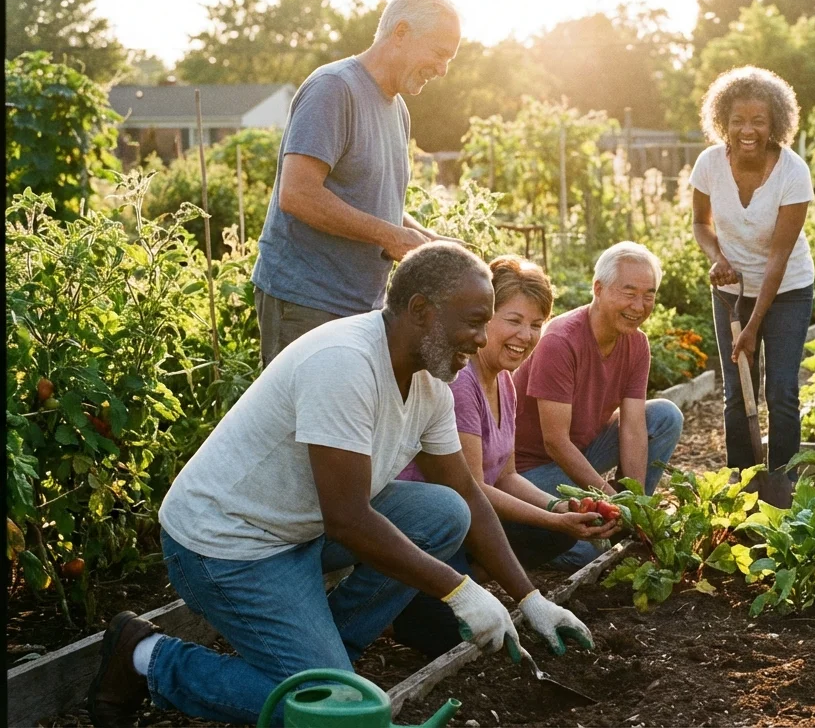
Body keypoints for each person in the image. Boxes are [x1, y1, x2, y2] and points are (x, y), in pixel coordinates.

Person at [87, 244, 592, 727]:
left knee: (444, 512)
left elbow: (465, 491)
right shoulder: (345, 363)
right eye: (474, 321)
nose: (482, 340)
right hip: (226, 545)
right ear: (421, 310)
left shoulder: (431, 379)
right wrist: (460, 591)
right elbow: (348, 518)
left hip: (294, 528)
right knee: (337, 711)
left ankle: (328, 652)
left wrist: (529, 599)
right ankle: (145, 655)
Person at [390, 255, 618, 658]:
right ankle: (418, 601)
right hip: (426, 538)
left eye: (536, 324)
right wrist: (554, 519)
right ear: (484, 319)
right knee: (450, 637)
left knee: (555, 528)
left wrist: (560, 507)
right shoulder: (461, 384)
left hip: (465, 528)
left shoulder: (505, 383)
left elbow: (507, 475)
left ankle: (474, 583)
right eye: (513, 320)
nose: (526, 335)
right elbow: (472, 486)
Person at [252, 0, 464, 366]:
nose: (444, 70)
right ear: (400, 32)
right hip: (308, 302)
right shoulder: (334, 88)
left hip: (363, 307)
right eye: (439, 53)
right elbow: (298, 194)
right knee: (307, 422)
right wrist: (390, 237)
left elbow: (377, 203)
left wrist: (429, 242)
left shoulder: (397, 109)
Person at [513, 242, 684, 569]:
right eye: (629, 292)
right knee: (588, 552)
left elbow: (633, 427)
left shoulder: (637, 342)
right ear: (598, 289)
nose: (639, 305)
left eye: (649, 294)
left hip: (583, 449)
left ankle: (624, 523)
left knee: (663, 416)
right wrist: (608, 497)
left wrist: (633, 502)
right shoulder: (561, 341)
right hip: (528, 470)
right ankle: (522, 533)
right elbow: (555, 442)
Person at [690, 66, 814, 501]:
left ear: (775, 122)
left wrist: (754, 323)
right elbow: (700, 225)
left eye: (759, 120)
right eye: (739, 120)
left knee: (780, 391)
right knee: (736, 393)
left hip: (788, 291)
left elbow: (778, 256)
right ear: (723, 120)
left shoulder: (792, 173)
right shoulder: (709, 164)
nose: (748, 130)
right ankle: (741, 491)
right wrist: (718, 259)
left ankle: (782, 489)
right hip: (730, 292)